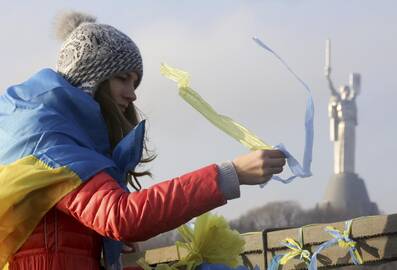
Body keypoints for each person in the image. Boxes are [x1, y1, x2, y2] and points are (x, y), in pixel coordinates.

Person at [0, 11, 286, 270]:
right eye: (123, 79)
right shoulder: (49, 139)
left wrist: (98, 240)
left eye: (135, 82)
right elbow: (122, 217)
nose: (132, 94)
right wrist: (229, 174)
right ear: (90, 80)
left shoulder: (50, 131)